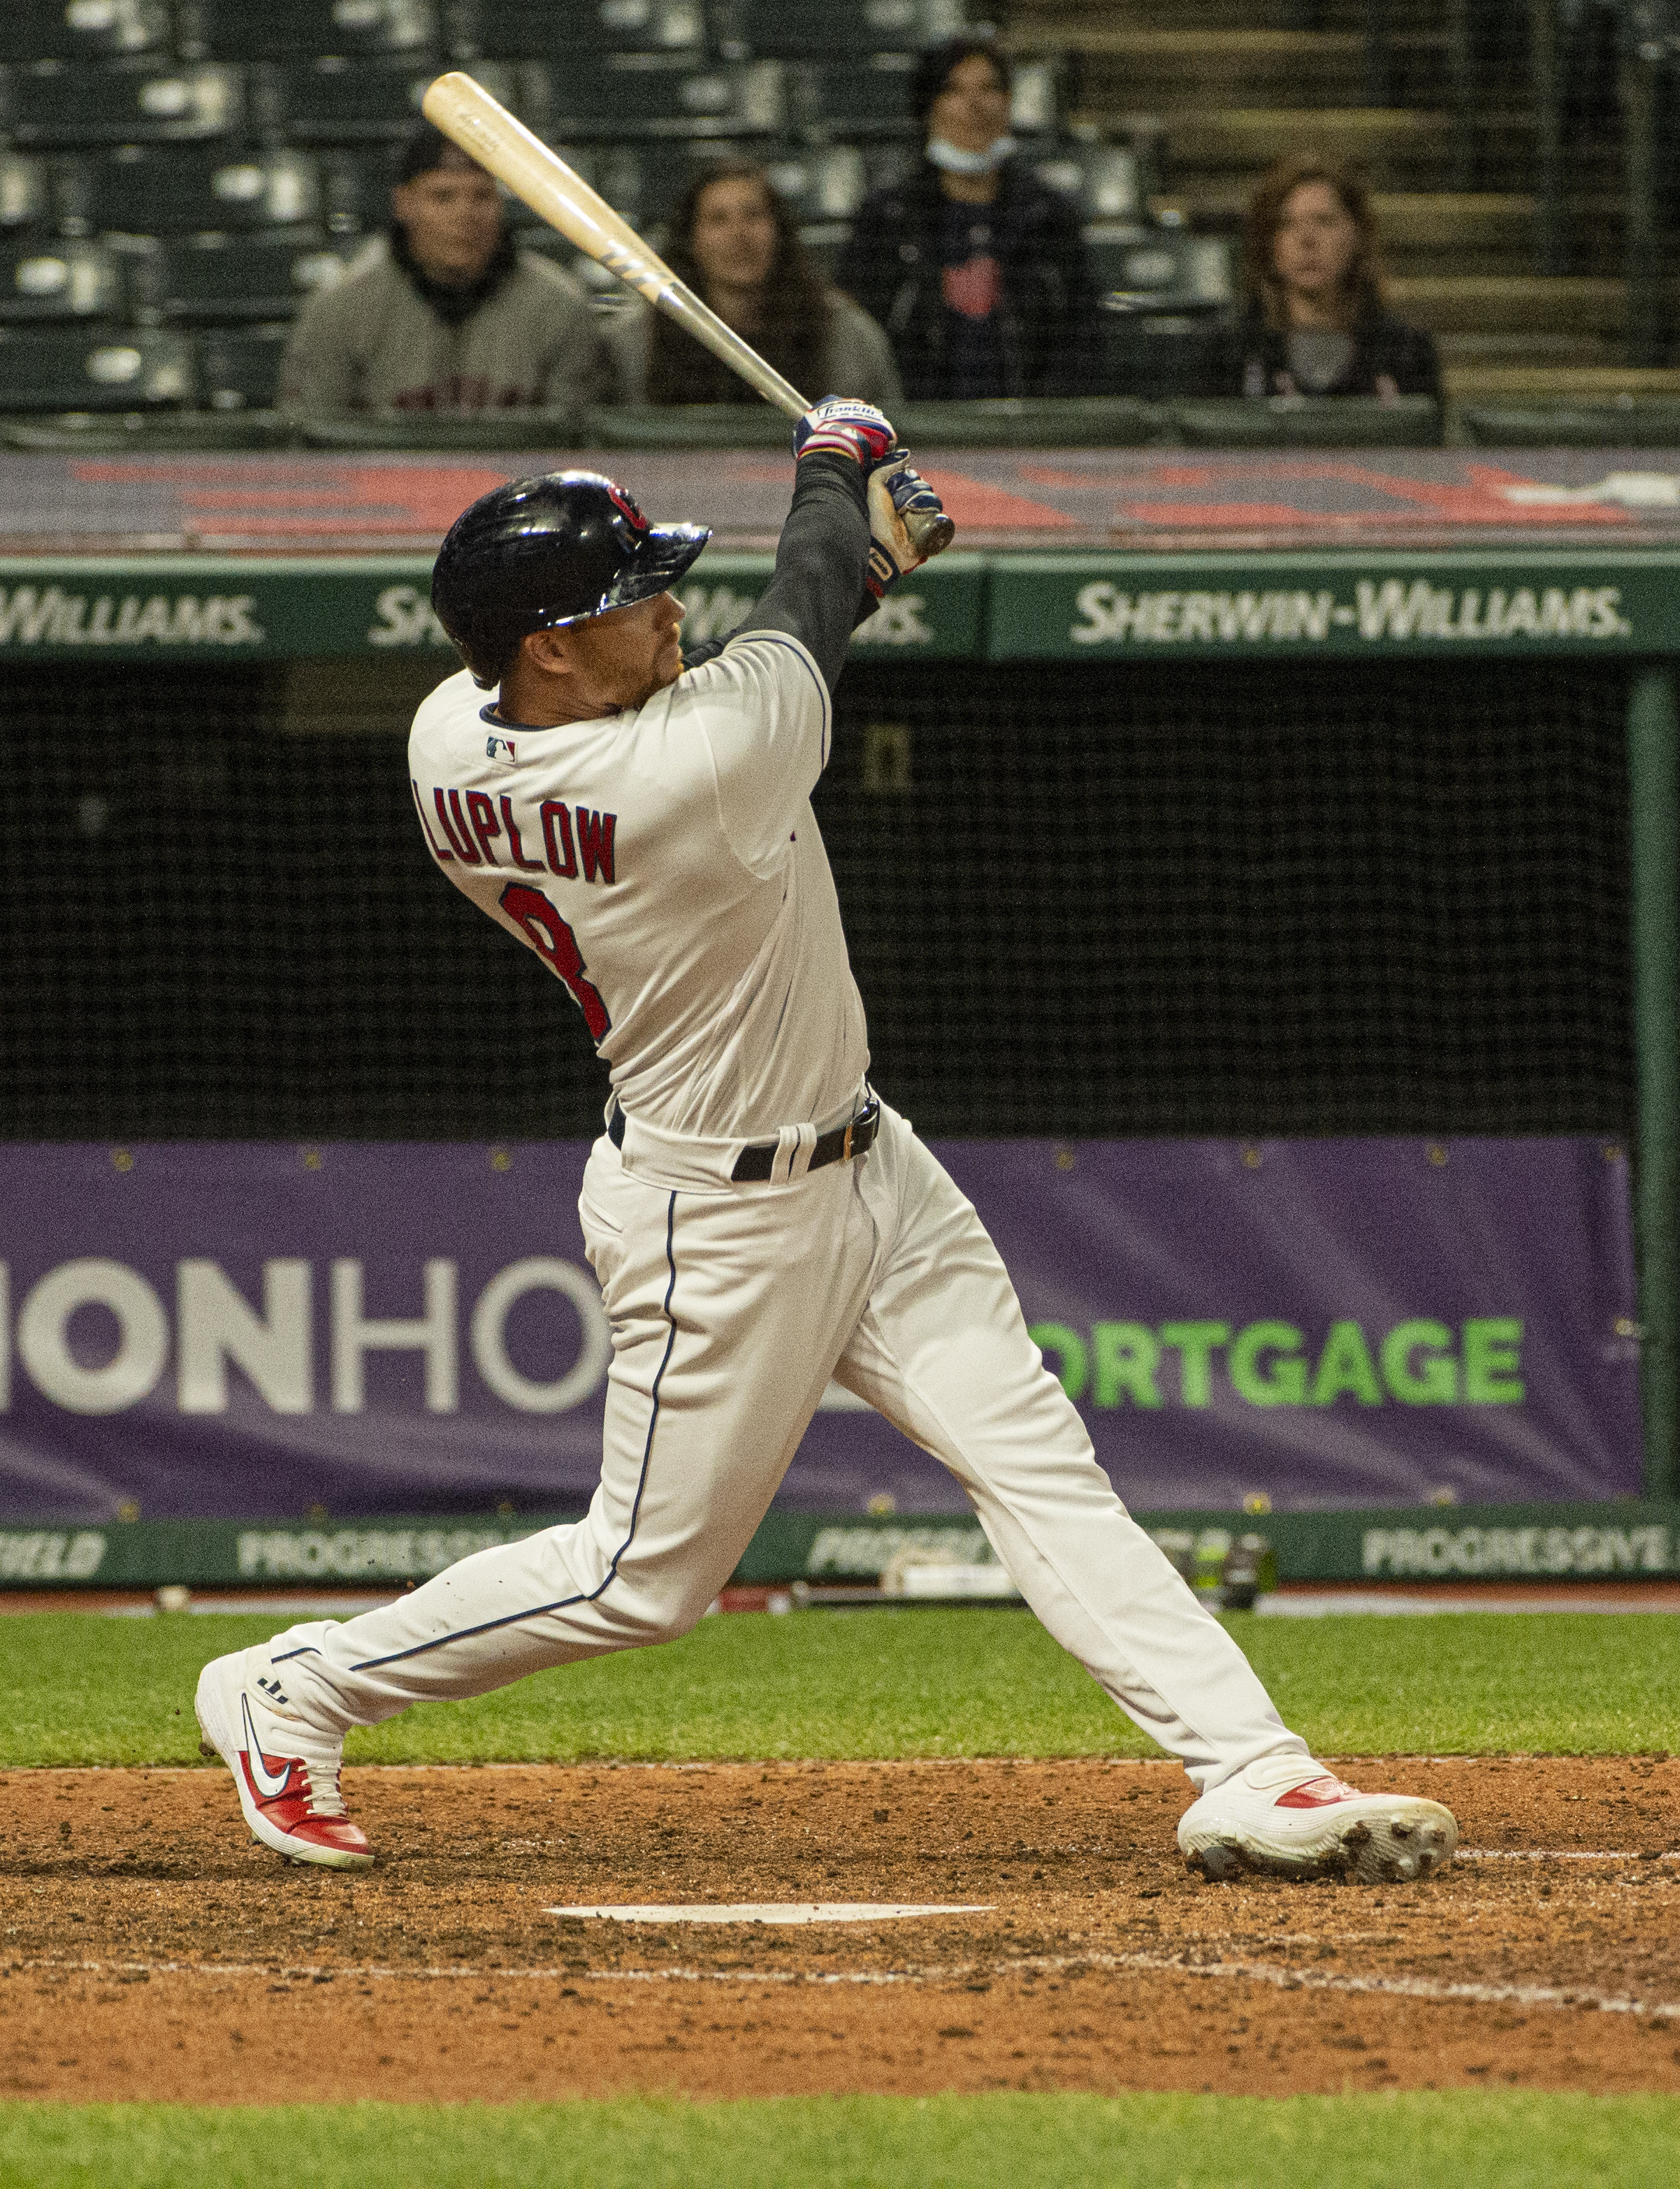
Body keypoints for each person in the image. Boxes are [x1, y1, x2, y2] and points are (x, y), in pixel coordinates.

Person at [194, 398, 1458, 1893]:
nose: (670, 610)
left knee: (1036, 1462)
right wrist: (834, 464)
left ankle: (1250, 1769)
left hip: (869, 1168)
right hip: (712, 1216)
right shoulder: (687, 772)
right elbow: (793, 612)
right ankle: (297, 1687)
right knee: (640, 1580)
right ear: (545, 648)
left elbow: (799, 617)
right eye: (631, 598)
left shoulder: (448, 735)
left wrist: (863, 552)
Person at [278, 123, 601, 418]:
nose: (465, 214)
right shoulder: (340, 309)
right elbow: (310, 444)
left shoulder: (558, 304)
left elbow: (581, 446)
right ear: (404, 205)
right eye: (443, 197)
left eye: (482, 195)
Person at [837, 34, 1096, 400]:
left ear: (1008, 103)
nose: (975, 106)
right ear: (929, 108)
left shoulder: (1050, 216)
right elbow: (859, 338)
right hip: (915, 433)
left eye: (989, 88)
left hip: (1032, 433)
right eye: (954, 90)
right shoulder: (887, 217)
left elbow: (1082, 336)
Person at [604, 161, 900, 408]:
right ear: (691, 241)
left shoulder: (845, 335)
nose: (739, 234)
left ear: (780, 232)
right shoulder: (635, 341)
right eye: (718, 220)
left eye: (754, 216)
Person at [1204, 157, 1443, 402]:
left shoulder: (1405, 350)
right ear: (1269, 243)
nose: (1307, 239)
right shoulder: (1227, 348)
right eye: (1287, 224)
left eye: (1324, 221)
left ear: (1357, 235)